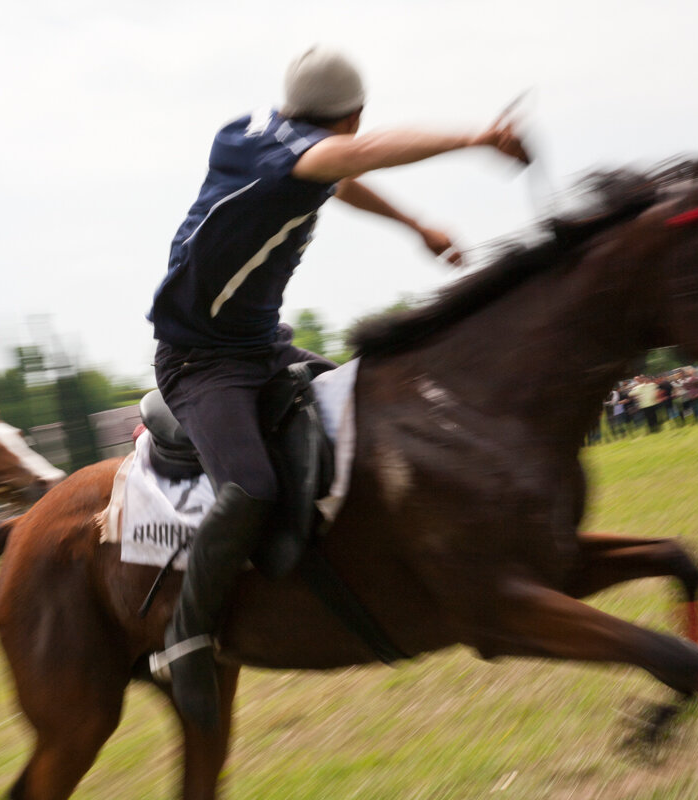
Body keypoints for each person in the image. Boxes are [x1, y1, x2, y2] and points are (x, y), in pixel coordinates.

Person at [146, 45, 529, 731]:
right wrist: (476, 136)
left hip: (262, 345)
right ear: (353, 116)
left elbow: (340, 175)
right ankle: (187, 638)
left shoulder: (262, 132)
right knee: (252, 487)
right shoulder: (294, 154)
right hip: (199, 363)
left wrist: (414, 225)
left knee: (364, 421)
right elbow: (358, 157)